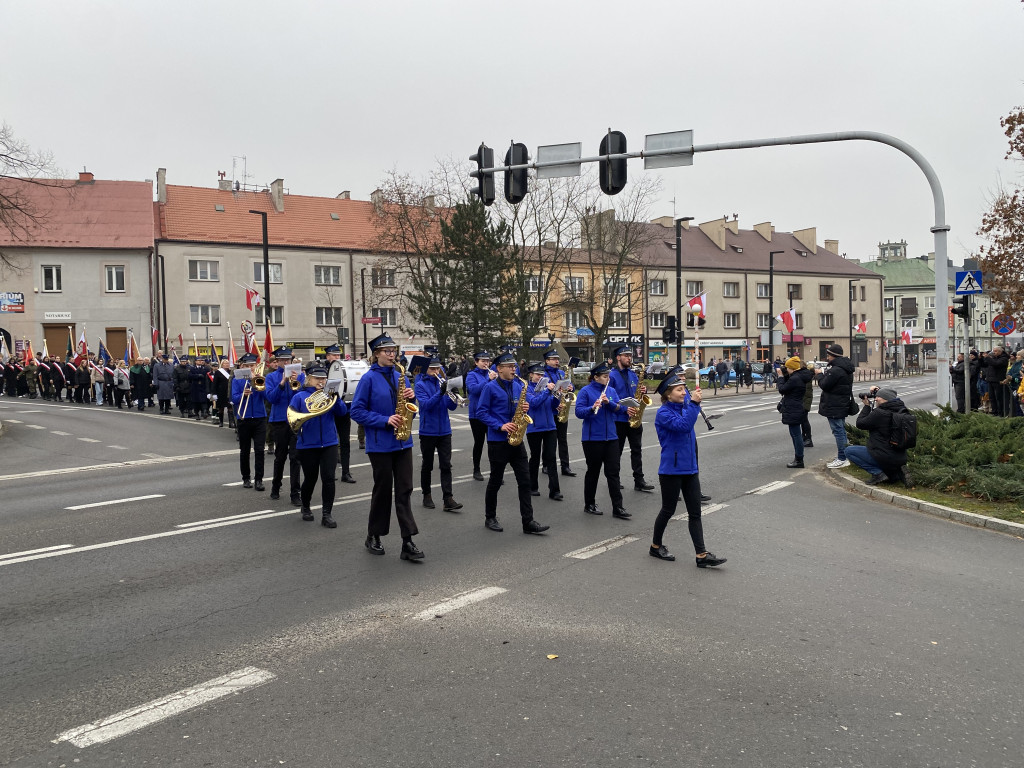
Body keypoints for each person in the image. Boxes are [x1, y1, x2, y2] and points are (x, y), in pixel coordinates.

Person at [350, 333, 424, 561]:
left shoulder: (400, 374)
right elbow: (357, 411)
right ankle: (374, 535)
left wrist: (412, 398)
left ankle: (407, 541)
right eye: (387, 351)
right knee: (382, 492)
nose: (392, 355)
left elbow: (409, 406)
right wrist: (384, 420)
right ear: (376, 354)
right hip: (380, 444)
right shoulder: (368, 379)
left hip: (403, 442)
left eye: (394, 351)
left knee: (405, 490)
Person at [648, 369, 727, 567]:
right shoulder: (663, 413)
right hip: (671, 470)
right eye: (679, 390)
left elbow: (689, 413)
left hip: (690, 469)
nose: (684, 392)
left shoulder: (685, 407)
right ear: (667, 394)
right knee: (668, 510)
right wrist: (694, 404)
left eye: (684, 389)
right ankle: (655, 546)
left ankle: (701, 555)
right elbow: (683, 426)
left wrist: (693, 401)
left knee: (695, 513)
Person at [476, 352, 550, 535]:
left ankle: (528, 521)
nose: (513, 369)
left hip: (517, 440)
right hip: (498, 441)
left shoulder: (519, 386)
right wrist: (500, 426)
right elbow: (481, 412)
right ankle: (490, 517)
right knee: (495, 481)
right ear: (499, 369)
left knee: (525, 481)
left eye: (514, 366)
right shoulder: (490, 387)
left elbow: (523, 406)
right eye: (509, 366)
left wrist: (526, 407)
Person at [288, 362, 349, 528]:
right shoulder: (299, 397)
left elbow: (342, 413)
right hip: (308, 444)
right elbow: (292, 419)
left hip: (329, 443)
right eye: (317, 378)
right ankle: (306, 507)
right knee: (310, 478)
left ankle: (326, 514)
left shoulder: (330, 395)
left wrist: (335, 398)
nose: (321, 381)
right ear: (309, 379)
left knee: (329, 479)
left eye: (323, 378)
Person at [574, 360, 635, 519]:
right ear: (595, 377)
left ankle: (618, 507)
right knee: (593, 472)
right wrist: (592, 408)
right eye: (604, 376)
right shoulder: (585, 392)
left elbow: (620, 410)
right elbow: (579, 412)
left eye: (608, 376)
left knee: (613, 473)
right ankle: (589, 504)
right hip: (592, 439)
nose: (607, 378)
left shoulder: (612, 391)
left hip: (612, 438)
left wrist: (609, 403)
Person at [414, 357, 463, 512]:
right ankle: (426, 495)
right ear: (425, 370)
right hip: (428, 431)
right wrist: (440, 393)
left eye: (438, 369)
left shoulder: (442, 382)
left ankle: (448, 498)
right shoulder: (420, 385)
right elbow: (427, 406)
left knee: (446, 465)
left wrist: (453, 395)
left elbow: (452, 408)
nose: (436, 372)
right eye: (432, 369)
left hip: (445, 431)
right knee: (427, 465)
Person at [607, 345, 655, 493]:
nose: (629, 358)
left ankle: (639, 480)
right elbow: (609, 399)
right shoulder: (612, 376)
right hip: (619, 420)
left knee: (637, 450)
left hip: (634, 418)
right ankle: (614, 479)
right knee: (617, 452)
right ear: (618, 357)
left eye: (630, 355)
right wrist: (624, 409)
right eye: (626, 355)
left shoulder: (633, 374)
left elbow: (637, 392)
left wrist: (642, 391)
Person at [847, 386, 912, 487]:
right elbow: (888, 395)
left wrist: (867, 406)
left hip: (883, 455)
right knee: (886, 457)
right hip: (900, 456)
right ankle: (895, 474)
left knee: (849, 451)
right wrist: (879, 391)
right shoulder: (902, 411)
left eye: (878, 397)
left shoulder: (880, 413)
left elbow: (860, 423)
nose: (876, 399)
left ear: (886, 399)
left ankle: (878, 474)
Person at [265, 347, 305, 505]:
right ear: (277, 362)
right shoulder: (271, 377)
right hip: (280, 420)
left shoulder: (300, 376)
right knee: (280, 456)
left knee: (295, 458)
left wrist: (297, 382)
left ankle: (295, 493)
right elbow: (271, 399)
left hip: (295, 420)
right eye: (282, 360)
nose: (285, 362)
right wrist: (282, 383)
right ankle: (276, 486)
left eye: (288, 360)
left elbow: (303, 397)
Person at [524, 362, 562, 501]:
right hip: (534, 427)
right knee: (535, 457)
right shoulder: (527, 389)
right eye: (538, 375)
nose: (540, 377)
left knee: (551, 458)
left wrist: (557, 396)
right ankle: (532, 487)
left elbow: (553, 406)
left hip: (550, 427)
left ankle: (555, 491)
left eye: (542, 375)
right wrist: (547, 391)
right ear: (531, 375)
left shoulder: (547, 388)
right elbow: (534, 403)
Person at [231, 353, 269, 490]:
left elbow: (267, 396)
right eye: (247, 366)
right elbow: (233, 399)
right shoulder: (237, 380)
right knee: (245, 450)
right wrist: (243, 395)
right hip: (244, 418)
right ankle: (246, 478)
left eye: (252, 365)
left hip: (259, 418)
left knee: (259, 450)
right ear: (242, 366)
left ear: (256, 366)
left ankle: (259, 479)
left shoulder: (260, 378)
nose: (250, 368)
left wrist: (259, 383)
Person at [815, 343, 854, 468]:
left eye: (828, 355)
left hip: (834, 404)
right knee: (840, 430)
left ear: (833, 355)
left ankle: (842, 457)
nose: (827, 357)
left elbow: (825, 385)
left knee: (838, 431)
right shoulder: (845, 368)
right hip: (840, 403)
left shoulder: (836, 370)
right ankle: (844, 456)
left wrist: (819, 374)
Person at [542, 347, 577, 477]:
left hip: (562, 409)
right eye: (554, 359)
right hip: (550, 410)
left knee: (562, 439)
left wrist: (570, 387)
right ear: (547, 361)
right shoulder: (544, 374)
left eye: (557, 359)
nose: (557, 361)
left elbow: (570, 386)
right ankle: (546, 464)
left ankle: (565, 466)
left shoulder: (561, 373)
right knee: (548, 441)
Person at [324, 344, 356, 484]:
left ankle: (346, 472)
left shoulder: (344, 370)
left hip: (344, 410)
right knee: (329, 444)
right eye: (334, 355)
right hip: (327, 412)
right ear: (328, 357)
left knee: (345, 442)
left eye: (338, 355)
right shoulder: (322, 370)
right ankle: (329, 471)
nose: (337, 357)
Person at [465, 350, 496, 482]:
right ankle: (476, 469)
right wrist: (488, 381)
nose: (486, 363)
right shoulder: (471, 375)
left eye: (487, 361)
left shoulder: (491, 374)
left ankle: (495, 471)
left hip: (490, 413)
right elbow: (473, 390)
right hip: (476, 414)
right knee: (479, 442)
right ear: (476, 362)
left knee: (493, 443)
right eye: (483, 361)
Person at [777, 356, 808, 468]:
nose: (786, 369)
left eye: (787, 367)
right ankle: (798, 458)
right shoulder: (798, 377)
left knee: (796, 435)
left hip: (793, 408)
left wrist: (780, 376)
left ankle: (799, 459)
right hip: (796, 407)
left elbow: (782, 389)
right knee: (795, 434)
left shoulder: (795, 379)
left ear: (792, 368)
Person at [981, 346, 1010, 417]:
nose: (994, 352)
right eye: (993, 351)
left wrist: (988, 358)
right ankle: (994, 412)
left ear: (1000, 352)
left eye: (995, 351)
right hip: (990, 380)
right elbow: (984, 364)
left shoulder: (1004, 359)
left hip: (998, 380)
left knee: (998, 398)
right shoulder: (993, 358)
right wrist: (981, 358)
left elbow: (996, 364)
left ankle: (1001, 413)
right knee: (992, 397)